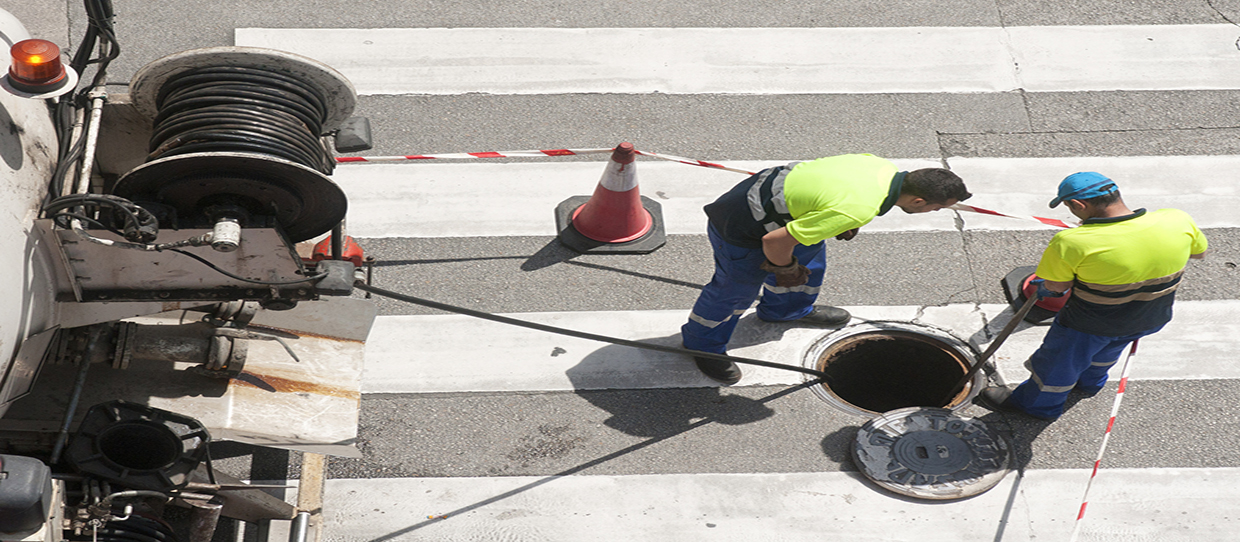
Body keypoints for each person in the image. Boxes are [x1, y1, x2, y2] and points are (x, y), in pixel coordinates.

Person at [681, 153, 972, 384]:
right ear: (918, 200)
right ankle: (702, 344)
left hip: (777, 210)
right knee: (734, 292)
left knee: (810, 263)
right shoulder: (857, 207)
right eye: (935, 208)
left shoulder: (878, 166)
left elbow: (834, 188)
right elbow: (773, 242)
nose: (932, 213)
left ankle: (786, 311)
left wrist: (841, 221)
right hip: (742, 226)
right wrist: (786, 268)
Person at [979, 172, 1208, 420]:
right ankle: (1089, 384)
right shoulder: (1176, 219)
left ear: (1079, 205)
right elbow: (1198, 254)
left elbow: (1056, 287)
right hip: (1150, 316)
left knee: (1058, 365)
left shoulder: (1073, 242)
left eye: (1069, 207)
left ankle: (1037, 406)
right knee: (1109, 351)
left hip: (1089, 324)